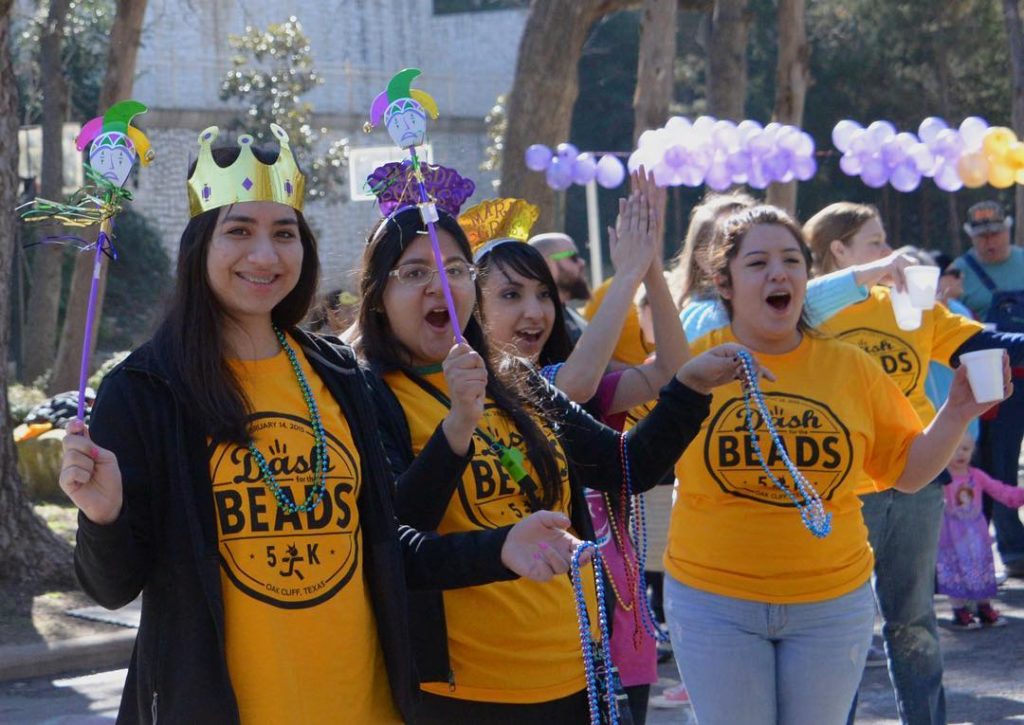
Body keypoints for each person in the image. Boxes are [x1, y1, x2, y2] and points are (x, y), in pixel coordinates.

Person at [57, 127, 586, 724]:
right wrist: (102, 517)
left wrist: (499, 548)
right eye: (239, 231)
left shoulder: (335, 371)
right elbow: (111, 587)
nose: (266, 256)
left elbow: (390, 548)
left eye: (284, 233)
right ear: (200, 245)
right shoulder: (147, 389)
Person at [356, 170, 748, 722]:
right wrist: (458, 428)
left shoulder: (515, 377)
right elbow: (396, 538)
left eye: (453, 270)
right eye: (414, 272)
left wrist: (688, 390)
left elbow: (626, 466)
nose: (437, 286)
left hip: (573, 675)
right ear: (377, 298)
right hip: (464, 695)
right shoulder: (365, 392)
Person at [662, 205, 1010, 725]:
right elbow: (633, 450)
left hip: (829, 603)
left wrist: (958, 409)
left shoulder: (851, 367)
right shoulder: (694, 362)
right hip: (714, 602)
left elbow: (909, 472)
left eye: (791, 260)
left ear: (808, 275)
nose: (778, 273)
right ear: (724, 283)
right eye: (757, 263)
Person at [471, 173, 685, 724]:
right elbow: (573, 389)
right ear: (468, 309)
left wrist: (652, 270)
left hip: (618, 611)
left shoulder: (564, 374)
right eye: (510, 295)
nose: (536, 312)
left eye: (546, 294)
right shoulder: (481, 398)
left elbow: (670, 371)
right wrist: (628, 272)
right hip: (535, 630)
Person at [804, 202, 1024, 725]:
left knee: (913, 622)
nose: (893, 253)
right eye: (877, 242)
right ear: (839, 250)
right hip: (840, 492)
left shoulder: (911, 304)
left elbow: (983, 340)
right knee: (842, 626)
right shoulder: (808, 310)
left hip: (915, 477)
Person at [952, 200, 1024, 578]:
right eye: (981, 236)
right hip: (995, 382)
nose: (990, 241)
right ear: (971, 237)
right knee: (998, 463)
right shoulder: (961, 270)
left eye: (995, 233)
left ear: (1008, 229)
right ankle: (1012, 550)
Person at [937, 431, 1024, 629]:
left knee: (981, 570)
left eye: (965, 449)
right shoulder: (942, 479)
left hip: (977, 537)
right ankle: (959, 611)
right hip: (951, 537)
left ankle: (984, 608)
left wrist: (1019, 496)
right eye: (954, 449)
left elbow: (1000, 490)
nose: (960, 454)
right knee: (954, 572)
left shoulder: (976, 476)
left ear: (973, 451)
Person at [528, 230, 591, 346]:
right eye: (573, 257)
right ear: (547, 264)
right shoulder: (537, 322)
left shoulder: (565, 312)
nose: (582, 263)